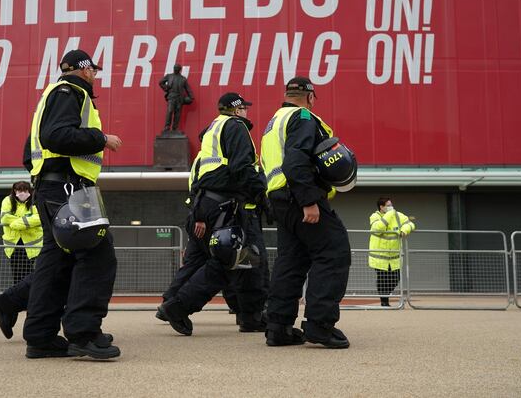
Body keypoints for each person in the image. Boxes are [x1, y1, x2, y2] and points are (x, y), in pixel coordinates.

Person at [19, 48, 123, 359]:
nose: (96, 75)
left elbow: (30, 152)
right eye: (94, 70)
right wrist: (99, 137)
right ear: (85, 69)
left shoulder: (50, 95)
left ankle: (40, 336)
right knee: (97, 254)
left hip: (50, 185)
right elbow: (57, 136)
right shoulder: (71, 91)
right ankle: (83, 333)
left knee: (56, 263)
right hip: (70, 186)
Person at [158, 92, 268, 335]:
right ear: (238, 110)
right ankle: (178, 306)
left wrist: (197, 211)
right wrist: (262, 195)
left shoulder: (212, 130)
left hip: (211, 203)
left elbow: (200, 179)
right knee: (227, 262)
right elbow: (242, 168)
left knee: (247, 261)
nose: (247, 112)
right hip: (228, 205)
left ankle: (250, 317)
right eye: (245, 108)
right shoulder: (236, 126)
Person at [261, 77, 351, 349]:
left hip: (280, 199)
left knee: (291, 261)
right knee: (333, 252)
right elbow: (296, 159)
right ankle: (320, 326)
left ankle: (278, 327)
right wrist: (309, 200)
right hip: (299, 196)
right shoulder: (302, 116)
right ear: (310, 97)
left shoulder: (274, 121)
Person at [368, 197, 415, 307]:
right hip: (379, 256)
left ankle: (386, 295)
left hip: (394, 256)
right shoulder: (375, 216)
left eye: (391, 205)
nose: (391, 207)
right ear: (381, 207)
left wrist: (404, 230)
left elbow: (410, 223)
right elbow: (377, 229)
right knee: (383, 279)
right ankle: (384, 302)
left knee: (395, 278)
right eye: (388, 205)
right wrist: (389, 215)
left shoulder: (397, 215)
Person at [0, 181, 42, 284]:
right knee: (17, 273)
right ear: (14, 191)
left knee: (28, 273)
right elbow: (5, 218)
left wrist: (17, 223)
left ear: (29, 191)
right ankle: (19, 297)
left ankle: (29, 295)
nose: (22, 193)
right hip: (13, 245)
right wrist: (27, 220)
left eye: (25, 190)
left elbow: (39, 218)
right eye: (19, 190)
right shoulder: (8, 200)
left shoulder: (35, 200)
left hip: (31, 244)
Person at [159, 63, 194, 133]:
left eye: (177, 68)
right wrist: (166, 88)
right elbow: (160, 82)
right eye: (175, 67)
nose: (175, 69)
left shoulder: (183, 79)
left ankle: (175, 128)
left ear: (180, 70)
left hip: (179, 98)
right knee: (169, 111)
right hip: (171, 97)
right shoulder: (169, 76)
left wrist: (191, 97)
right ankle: (167, 127)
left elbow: (188, 89)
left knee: (177, 113)